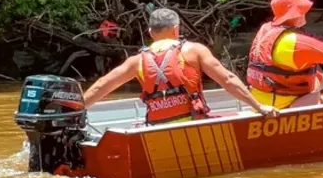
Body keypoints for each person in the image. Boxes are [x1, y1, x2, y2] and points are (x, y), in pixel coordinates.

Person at [83, 8, 278, 124]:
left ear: (151, 32)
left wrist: (75, 109)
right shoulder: (194, 51)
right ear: (176, 30)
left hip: (157, 127)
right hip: (194, 125)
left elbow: (102, 85)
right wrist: (258, 107)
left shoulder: (136, 61)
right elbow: (227, 80)